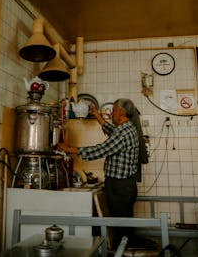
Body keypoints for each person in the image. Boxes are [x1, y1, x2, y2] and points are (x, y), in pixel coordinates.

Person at [58, 98, 139, 248]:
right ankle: (122, 250)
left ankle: (124, 252)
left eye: (113, 110)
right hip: (120, 185)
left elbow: (101, 150)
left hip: (121, 186)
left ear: (121, 112)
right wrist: (96, 114)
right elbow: (110, 130)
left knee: (121, 226)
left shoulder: (124, 132)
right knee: (120, 224)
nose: (111, 113)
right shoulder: (125, 128)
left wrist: (70, 149)